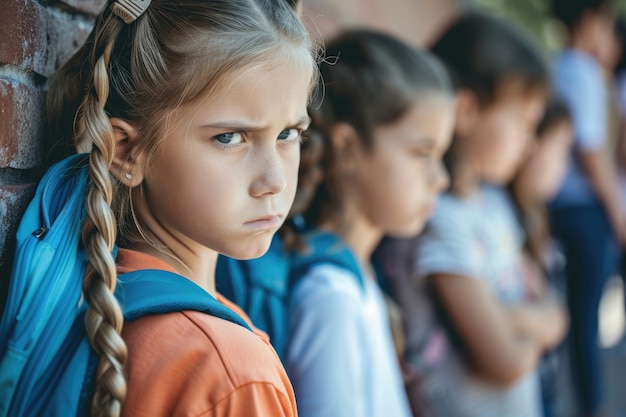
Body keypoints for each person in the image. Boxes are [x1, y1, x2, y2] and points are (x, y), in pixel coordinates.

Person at [30, 0, 316, 415]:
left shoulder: (93, 297)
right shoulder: (228, 372)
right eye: (229, 138)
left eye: (289, 133)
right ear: (125, 152)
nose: (274, 181)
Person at [376, 12, 567, 417]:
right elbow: (508, 362)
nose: (530, 144)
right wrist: (536, 323)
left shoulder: (496, 201)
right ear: (466, 111)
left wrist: (507, 318)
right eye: (522, 123)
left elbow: (556, 313)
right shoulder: (437, 218)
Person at [283, 30, 456, 417]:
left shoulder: (358, 277)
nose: (440, 179)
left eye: (442, 154)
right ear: (347, 148)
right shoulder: (332, 296)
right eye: (422, 153)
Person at [550, 1, 622, 415]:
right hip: (584, 210)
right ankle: (592, 404)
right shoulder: (583, 72)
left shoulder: (561, 66)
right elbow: (592, 152)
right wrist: (617, 213)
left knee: (578, 316)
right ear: (590, 20)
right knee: (586, 321)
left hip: (563, 207)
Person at [508, 97, 573, 417]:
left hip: (541, 379)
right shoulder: (507, 220)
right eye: (560, 150)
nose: (565, 166)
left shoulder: (538, 215)